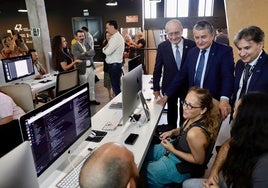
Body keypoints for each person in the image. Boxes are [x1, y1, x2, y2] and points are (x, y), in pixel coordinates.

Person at [183, 93, 268, 188]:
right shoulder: (249, 137)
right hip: (235, 182)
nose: (232, 115)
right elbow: (227, 145)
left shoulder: (264, 165)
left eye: (236, 111)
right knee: (188, 184)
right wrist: (214, 172)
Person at [141, 87, 219, 187]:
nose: (185, 107)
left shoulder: (195, 134)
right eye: (185, 102)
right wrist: (173, 132)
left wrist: (172, 150)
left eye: (190, 106)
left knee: (145, 172)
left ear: (203, 110)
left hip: (182, 165)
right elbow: (183, 129)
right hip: (176, 147)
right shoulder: (192, 116)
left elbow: (199, 161)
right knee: (146, 154)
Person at [158, 20, 234, 121]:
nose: (200, 41)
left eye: (203, 37)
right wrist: (167, 95)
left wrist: (224, 99)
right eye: (197, 37)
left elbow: (227, 77)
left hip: (213, 102)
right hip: (193, 102)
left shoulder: (224, 51)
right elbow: (181, 75)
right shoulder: (192, 52)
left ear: (212, 35)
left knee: (209, 133)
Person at [153, 19, 196, 130]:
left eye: (176, 33)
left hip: (186, 87)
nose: (173, 37)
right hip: (169, 86)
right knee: (171, 111)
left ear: (181, 31)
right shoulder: (162, 47)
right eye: (170, 34)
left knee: (185, 112)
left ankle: (182, 132)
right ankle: (171, 131)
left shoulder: (192, 45)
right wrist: (156, 89)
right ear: (167, 33)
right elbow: (157, 69)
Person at [232, 25, 268, 104]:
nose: (242, 53)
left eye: (247, 48)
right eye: (239, 49)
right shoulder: (239, 64)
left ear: (260, 45)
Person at [71, 30, 100, 105]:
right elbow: (78, 56)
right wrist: (88, 54)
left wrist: (85, 53)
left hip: (91, 67)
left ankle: (92, 99)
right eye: (80, 36)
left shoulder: (87, 44)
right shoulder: (74, 46)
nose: (82, 38)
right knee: (83, 87)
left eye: (83, 36)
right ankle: (84, 102)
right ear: (76, 37)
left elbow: (93, 53)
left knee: (92, 85)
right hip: (82, 69)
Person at [102, 20, 125, 96]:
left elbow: (107, 51)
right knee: (115, 87)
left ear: (112, 27)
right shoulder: (114, 37)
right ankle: (120, 103)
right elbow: (107, 48)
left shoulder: (116, 38)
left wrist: (104, 49)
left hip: (114, 66)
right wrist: (105, 48)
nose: (106, 30)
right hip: (114, 66)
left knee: (116, 87)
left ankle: (121, 104)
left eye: (107, 28)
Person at [101, 32, 114, 99]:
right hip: (107, 66)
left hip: (115, 65)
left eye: (109, 35)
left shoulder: (115, 43)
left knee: (115, 80)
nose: (108, 37)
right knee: (108, 81)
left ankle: (114, 93)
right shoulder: (104, 44)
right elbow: (102, 56)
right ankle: (109, 94)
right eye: (107, 36)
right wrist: (106, 48)